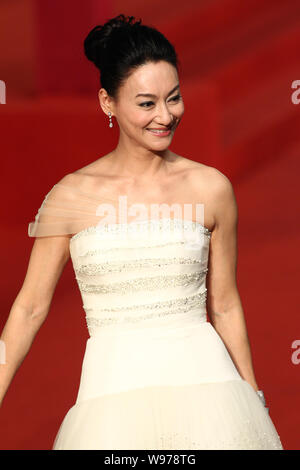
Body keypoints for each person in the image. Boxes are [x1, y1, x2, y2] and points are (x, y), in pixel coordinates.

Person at [0, 14, 284, 450]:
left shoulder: (211, 189)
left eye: (173, 99)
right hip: (109, 404)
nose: (165, 116)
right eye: (147, 103)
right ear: (107, 103)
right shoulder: (70, 196)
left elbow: (224, 304)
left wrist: (253, 397)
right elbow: (29, 310)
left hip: (211, 399)